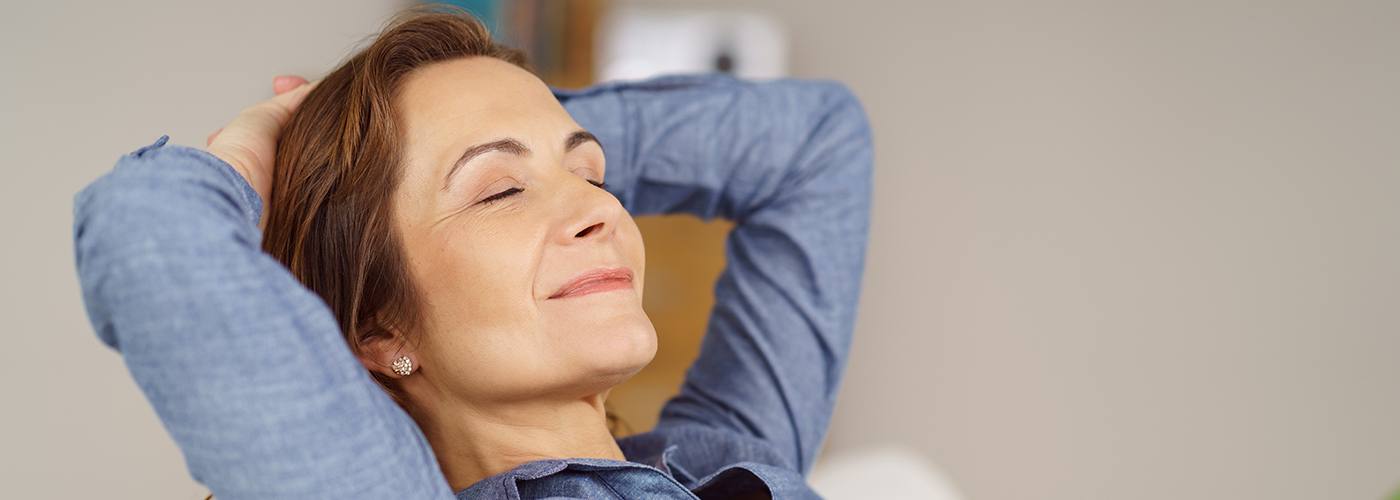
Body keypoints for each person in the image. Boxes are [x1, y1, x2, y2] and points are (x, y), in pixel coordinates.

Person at [73, 7, 872, 499]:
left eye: (593, 173)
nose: (599, 208)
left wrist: (506, 118)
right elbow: (147, 237)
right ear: (381, 331)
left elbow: (814, 143)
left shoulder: (722, 457)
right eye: (498, 193)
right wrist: (259, 153)